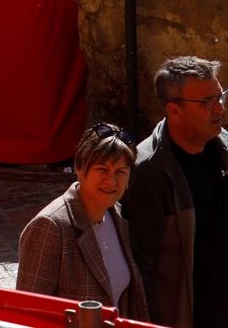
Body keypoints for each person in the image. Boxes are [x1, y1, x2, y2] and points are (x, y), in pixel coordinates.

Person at [122, 56, 228, 328]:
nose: (220, 110)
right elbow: (140, 263)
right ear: (174, 109)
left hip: (226, 313)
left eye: (220, 97)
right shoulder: (150, 170)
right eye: (207, 102)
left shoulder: (225, 146)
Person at [16, 125, 149, 319]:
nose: (111, 181)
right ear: (79, 168)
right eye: (102, 169)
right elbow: (27, 314)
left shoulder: (117, 216)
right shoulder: (50, 228)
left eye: (120, 171)